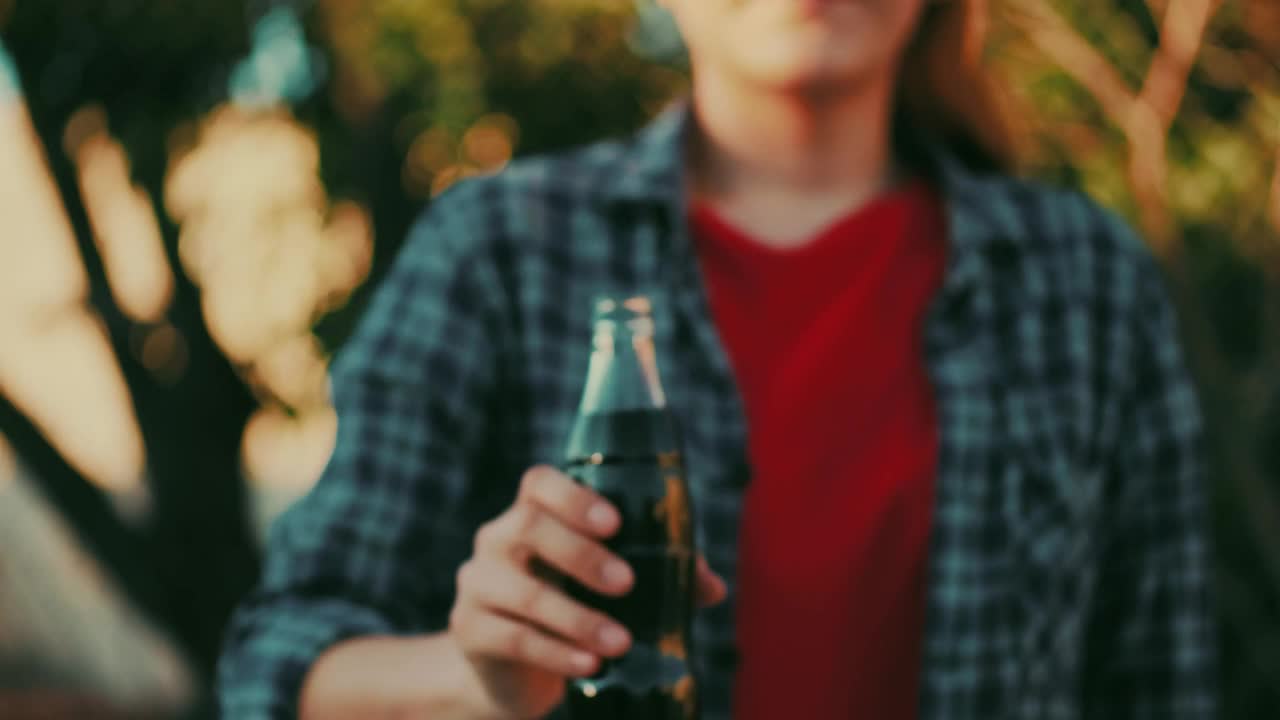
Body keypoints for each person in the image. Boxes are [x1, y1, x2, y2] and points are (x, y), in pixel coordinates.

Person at [218, 0, 1218, 718]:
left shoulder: (1087, 283)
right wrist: (476, 677)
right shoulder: (496, 251)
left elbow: (1161, 682)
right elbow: (276, 661)